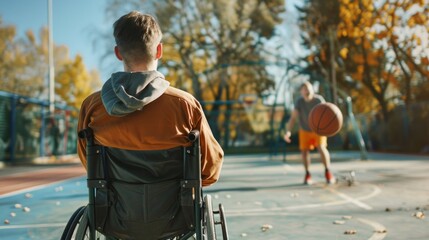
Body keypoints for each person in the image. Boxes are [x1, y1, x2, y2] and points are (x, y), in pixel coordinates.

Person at [77, 11, 224, 187]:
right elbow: (210, 170)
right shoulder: (185, 105)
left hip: (113, 209)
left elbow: (90, 163)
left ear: (118, 53)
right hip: (178, 210)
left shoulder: (92, 106)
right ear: (159, 50)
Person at [283, 81, 335, 185]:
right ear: (301, 92)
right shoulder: (299, 102)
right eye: (304, 89)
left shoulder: (318, 100)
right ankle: (307, 174)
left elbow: (327, 114)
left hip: (318, 130)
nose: (307, 91)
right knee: (304, 152)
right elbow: (293, 118)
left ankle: (327, 171)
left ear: (312, 89)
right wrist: (288, 132)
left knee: (321, 147)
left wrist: (329, 128)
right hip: (304, 129)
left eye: (309, 88)